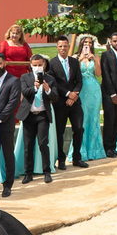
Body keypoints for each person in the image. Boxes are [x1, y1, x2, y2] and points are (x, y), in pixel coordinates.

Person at [46, 35, 86, 169]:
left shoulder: (74, 62)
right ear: (57, 47)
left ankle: (77, 158)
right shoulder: (51, 63)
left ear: (69, 46)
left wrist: (74, 95)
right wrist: (68, 94)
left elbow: (79, 81)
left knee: (79, 128)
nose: (63, 48)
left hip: (75, 102)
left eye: (65, 46)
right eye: (60, 46)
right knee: (59, 132)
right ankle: (61, 160)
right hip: (60, 103)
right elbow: (54, 83)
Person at [18, 54, 57, 183]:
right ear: (30, 65)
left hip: (42, 116)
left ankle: (47, 171)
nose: (37, 67)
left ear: (44, 65)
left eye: (40, 65)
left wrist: (48, 90)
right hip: (29, 115)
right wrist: (35, 87)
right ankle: (28, 174)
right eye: (35, 65)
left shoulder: (50, 79)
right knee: (28, 145)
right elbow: (25, 92)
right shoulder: (25, 77)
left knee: (42, 143)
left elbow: (56, 97)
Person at [0, 53, 21, 196]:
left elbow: (13, 102)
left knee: (8, 155)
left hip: (5, 124)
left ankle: (8, 185)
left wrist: (0, 118)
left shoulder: (14, 81)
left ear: (5, 64)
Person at [77, 35, 107, 158]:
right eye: (85, 43)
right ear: (81, 44)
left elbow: (99, 74)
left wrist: (94, 59)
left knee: (94, 118)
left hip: (94, 89)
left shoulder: (96, 57)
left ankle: (94, 151)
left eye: (90, 43)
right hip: (82, 89)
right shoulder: (75, 57)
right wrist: (79, 60)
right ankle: (81, 151)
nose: (88, 45)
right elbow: (74, 75)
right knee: (83, 119)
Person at [99, 31, 117, 157]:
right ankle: (107, 148)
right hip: (108, 94)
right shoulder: (105, 55)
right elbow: (105, 75)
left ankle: (113, 146)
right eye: (115, 41)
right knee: (109, 120)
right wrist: (112, 94)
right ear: (110, 41)